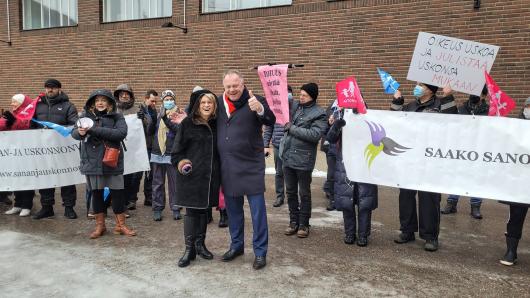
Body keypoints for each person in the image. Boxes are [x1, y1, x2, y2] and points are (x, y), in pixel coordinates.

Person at [217, 70, 275, 270]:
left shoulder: (254, 100)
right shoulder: (218, 103)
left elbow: (270, 120)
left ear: (243, 85)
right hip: (228, 166)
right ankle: (237, 245)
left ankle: (260, 252)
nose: (232, 90)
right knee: (233, 211)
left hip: (251, 165)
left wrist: (260, 109)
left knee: (258, 212)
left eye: (236, 85)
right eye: (228, 86)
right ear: (224, 87)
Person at [390, 82, 457, 252]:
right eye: (416, 84)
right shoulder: (410, 106)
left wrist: (448, 96)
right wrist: (397, 102)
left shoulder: (441, 105)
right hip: (409, 158)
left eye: (421, 85)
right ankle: (407, 230)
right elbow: (394, 121)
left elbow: (454, 122)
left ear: (430, 89)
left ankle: (430, 236)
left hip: (430, 160)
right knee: (406, 195)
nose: (416, 87)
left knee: (429, 198)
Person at [72, 89, 136, 238]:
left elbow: (120, 134)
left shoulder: (117, 117)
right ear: (93, 103)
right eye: (97, 100)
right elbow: (74, 133)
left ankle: (121, 226)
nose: (100, 103)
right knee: (97, 195)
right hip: (92, 162)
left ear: (109, 103)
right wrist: (79, 133)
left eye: (103, 100)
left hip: (112, 161)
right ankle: (100, 226)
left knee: (118, 195)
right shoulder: (84, 117)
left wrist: (94, 130)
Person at [171, 89, 220, 267]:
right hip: (191, 176)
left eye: (210, 102)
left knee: (203, 213)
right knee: (191, 212)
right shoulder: (187, 124)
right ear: (197, 105)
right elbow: (176, 153)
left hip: (209, 178)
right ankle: (189, 249)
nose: (206, 105)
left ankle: (200, 245)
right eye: (203, 102)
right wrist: (183, 163)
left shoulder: (217, 124)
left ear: (215, 106)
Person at [280, 83, 327, 238]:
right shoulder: (295, 107)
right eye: (300, 94)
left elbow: (314, 135)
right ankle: (293, 221)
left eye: (304, 95)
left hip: (303, 160)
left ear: (312, 96)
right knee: (291, 192)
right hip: (288, 157)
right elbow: (281, 101)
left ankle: (304, 224)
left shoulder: (319, 113)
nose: (300, 97)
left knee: (304, 193)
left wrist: (291, 128)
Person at [326, 108, 378, 246]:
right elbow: (330, 139)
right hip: (345, 166)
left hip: (365, 165)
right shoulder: (342, 119)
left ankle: (363, 234)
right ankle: (349, 233)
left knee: (364, 202)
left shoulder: (370, 120)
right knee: (346, 202)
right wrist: (337, 125)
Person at [32, 79, 79, 220]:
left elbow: (74, 125)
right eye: (47, 87)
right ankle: (47, 208)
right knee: (46, 178)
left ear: (59, 89)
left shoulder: (68, 106)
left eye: (53, 88)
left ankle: (69, 208)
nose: (50, 90)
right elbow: (31, 124)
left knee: (67, 179)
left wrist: (56, 130)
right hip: (43, 150)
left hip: (62, 150)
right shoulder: (37, 106)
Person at [441, 86, 489, 219]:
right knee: (457, 175)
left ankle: (475, 206)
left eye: (478, 93)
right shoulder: (461, 109)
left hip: (480, 149)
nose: (474, 95)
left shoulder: (490, 111)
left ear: (484, 96)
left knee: (477, 177)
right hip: (461, 148)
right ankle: (451, 203)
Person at [499, 97, 530, 266]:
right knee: (515, 216)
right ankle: (511, 250)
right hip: (520, 180)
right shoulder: (515, 127)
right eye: (528, 106)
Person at [114, 84, 151, 211]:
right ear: (118, 96)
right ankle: (121, 199)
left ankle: (132, 199)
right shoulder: (113, 109)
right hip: (119, 148)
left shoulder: (137, 109)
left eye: (127, 94)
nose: (124, 96)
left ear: (131, 96)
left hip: (135, 148)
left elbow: (148, 125)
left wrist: (143, 118)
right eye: (121, 94)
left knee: (136, 176)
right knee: (122, 176)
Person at [148, 90, 182, 221]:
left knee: (174, 183)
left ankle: (176, 208)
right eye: (166, 99)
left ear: (174, 100)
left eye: (170, 99)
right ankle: (157, 208)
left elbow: (178, 130)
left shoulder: (179, 113)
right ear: (162, 101)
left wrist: (165, 119)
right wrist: (152, 117)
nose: (168, 101)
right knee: (157, 183)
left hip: (172, 152)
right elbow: (150, 131)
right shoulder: (158, 114)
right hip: (157, 152)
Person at [1, 94, 36, 217]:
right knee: (16, 179)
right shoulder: (13, 114)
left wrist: (14, 122)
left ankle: (27, 206)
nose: (12, 104)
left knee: (26, 180)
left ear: (22, 103)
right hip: (13, 154)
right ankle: (17, 204)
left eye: (14, 102)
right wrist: (7, 123)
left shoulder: (30, 114)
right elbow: (2, 125)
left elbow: (26, 127)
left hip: (26, 153)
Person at [263, 85, 293, 208]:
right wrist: (266, 144)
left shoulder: (295, 109)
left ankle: (292, 196)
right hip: (277, 145)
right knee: (279, 173)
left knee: (292, 173)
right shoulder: (274, 109)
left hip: (291, 146)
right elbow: (269, 128)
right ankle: (279, 196)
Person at [140, 89, 159, 206]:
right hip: (142, 146)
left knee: (150, 173)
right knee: (137, 175)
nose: (154, 103)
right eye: (152, 101)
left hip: (151, 145)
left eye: (156, 101)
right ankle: (132, 198)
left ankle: (148, 197)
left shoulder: (154, 110)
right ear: (146, 99)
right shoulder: (139, 111)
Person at [322, 100, 339, 211]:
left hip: (347, 149)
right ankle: (333, 200)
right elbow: (324, 130)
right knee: (332, 175)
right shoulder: (332, 109)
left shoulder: (355, 107)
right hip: (332, 149)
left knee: (343, 176)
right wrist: (329, 123)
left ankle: (342, 199)